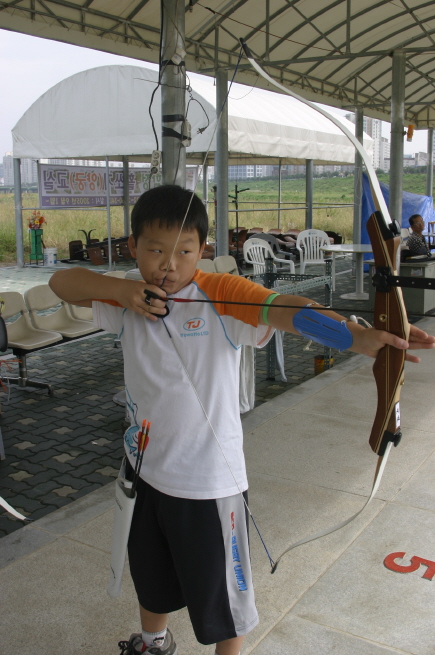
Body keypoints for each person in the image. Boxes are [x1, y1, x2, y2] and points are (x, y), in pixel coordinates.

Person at [49, 185, 435, 655]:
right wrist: (123, 290)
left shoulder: (220, 294)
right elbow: (62, 284)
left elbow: (286, 310)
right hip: (145, 469)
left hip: (208, 482)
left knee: (225, 602)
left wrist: (356, 335)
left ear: (201, 250)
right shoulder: (130, 297)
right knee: (151, 574)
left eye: (184, 251)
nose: (168, 264)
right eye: (155, 250)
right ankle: (152, 643)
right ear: (133, 246)